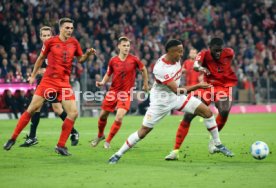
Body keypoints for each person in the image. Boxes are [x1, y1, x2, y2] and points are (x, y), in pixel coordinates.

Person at [108, 39, 234, 164]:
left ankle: (217, 144)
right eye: (179, 52)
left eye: (182, 51)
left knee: (207, 113)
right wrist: (198, 86)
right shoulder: (161, 69)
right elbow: (177, 90)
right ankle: (118, 154)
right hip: (161, 101)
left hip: (176, 98)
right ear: (171, 52)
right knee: (143, 131)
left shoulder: (175, 59)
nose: (181, 54)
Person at [3, 18, 96, 156]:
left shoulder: (74, 42)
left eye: (71, 28)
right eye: (67, 28)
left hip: (64, 83)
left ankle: (61, 145)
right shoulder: (50, 42)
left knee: (73, 113)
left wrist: (87, 54)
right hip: (49, 82)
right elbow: (40, 59)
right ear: (60, 29)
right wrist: (33, 76)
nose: (70, 30)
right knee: (32, 109)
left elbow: (80, 59)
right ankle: (12, 138)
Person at [165, 37, 238, 160]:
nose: (218, 53)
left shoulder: (229, 52)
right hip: (206, 88)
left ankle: (214, 142)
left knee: (224, 111)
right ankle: (175, 151)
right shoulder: (204, 54)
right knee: (188, 116)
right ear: (210, 48)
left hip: (223, 88)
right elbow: (195, 65)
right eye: (215, 51)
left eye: (220, 50)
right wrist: (201, 68)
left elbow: (229, 64)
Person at [19, 26, 80, 147]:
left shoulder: (55, 47)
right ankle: (32, 137)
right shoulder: (44, 48)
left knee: (56, 109)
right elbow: (40, 63)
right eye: (44, 35)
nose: (46, 37)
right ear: (40, 37)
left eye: (48, 35)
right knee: (38, 108)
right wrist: (35, 74)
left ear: (52, 36)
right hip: (44, 81)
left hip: (53, 82)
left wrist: (44, 71)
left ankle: (73, 132)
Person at [91, 36, 149, 149]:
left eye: (128, 46)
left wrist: (145, 84)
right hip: (113, 92)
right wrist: (103, 82)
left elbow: (143, 69)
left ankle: (107, 141)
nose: (126, 48)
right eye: (124, 45)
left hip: (125, 94)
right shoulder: (113, 60)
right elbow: (108, 73)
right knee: (103, 116)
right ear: (119, 46)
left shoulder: (134, 59)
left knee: (119, 117)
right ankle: (100, 135)